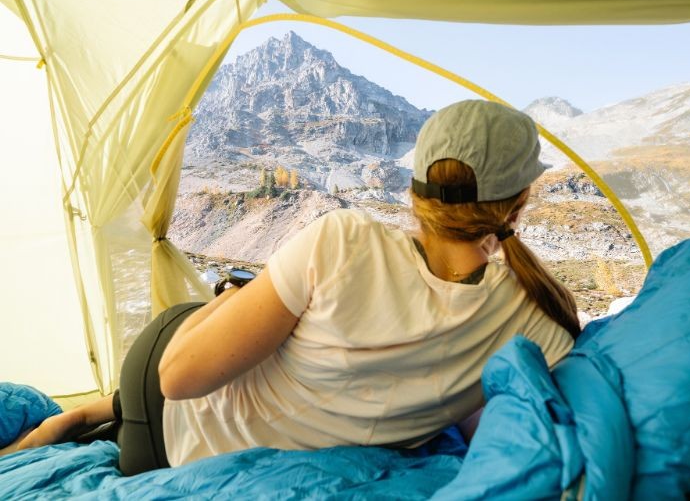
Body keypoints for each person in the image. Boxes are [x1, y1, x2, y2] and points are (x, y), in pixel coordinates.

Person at [15, 100, 579, 475]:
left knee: (229, 310)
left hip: (167, 420)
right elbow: (483, 422)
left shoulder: (346, 239)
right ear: (519, 202)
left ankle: (80, 417)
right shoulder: (539, 319)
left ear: (414, 191)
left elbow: (177, 379)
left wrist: (232, 300)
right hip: (173, 430)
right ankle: (86, 416)